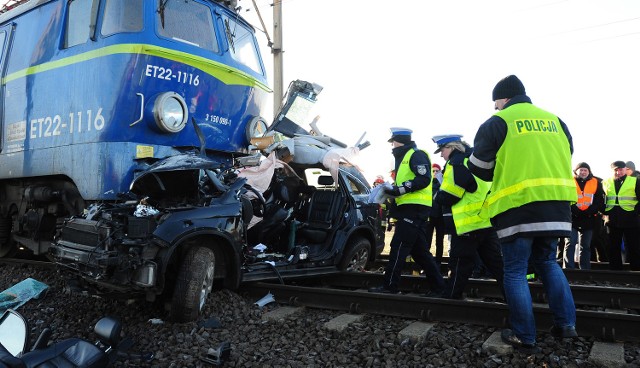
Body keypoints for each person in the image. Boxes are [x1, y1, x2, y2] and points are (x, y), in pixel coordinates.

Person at [468, 75, 577, 353]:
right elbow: (568, 153)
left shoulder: (498, 122)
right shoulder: (556, 120)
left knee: (515, 271)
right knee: (548, 262)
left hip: (518, 205)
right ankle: (566, 326)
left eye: (496, 104)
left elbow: (479, 167)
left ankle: (524, 336)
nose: (496, 109)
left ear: (504, 99)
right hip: (557, 206)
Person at [368, 127, 445, 296]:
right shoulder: (404, 158)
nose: (392, 146)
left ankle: (390, 286)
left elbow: (424, 179)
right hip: (410, 209)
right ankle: (440, 287)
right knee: (419, 252)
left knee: (399, 246)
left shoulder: (415, 155)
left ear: (399, 141)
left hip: (414, 209)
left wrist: (399, 190)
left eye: (393, 142)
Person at [432, 134, 505, 300]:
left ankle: (451, 297)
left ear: (451, 147)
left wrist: (437, 196)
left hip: (467, 223)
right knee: (497, 265)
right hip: (485, 221)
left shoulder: (456, 163)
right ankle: (515, 300)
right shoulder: (475, 160)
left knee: (459, 264)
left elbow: (450, 195)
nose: (441, 154)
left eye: (442, 150)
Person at [564, 162, 605, 269]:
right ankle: (568, 268)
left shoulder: (596, 182)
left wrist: (589, 212)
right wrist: (575, 210)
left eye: (585, 170)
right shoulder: (569, 181)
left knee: (585, 246)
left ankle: (585, 268)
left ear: (589, 171)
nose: (583, 172)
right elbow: (566, 197)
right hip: (573, 217)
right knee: (570, 243)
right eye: (580, 170)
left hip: (589, 218)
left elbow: (598, 200)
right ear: (576, 171)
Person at [602, 161, 640, 271]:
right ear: (612, 170)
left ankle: (636, 270)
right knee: (613, 246)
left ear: (625, 169)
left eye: (621, 169)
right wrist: (604, 211)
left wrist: (635, 212)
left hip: (630, 219)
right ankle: (615, 270)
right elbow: (602, 199)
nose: (618, 172)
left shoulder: (635, 181)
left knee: (633, 246)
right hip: (612, 219)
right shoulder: (605, 182)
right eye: (616, 170)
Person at [426, 163, 445, 266]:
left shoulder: (444, 184)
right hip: (430, 216)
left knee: (439, 241)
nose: (435, 173)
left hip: (441, 216)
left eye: (437, 171)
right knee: (427, 241)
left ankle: (438, 263)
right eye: (433, 171)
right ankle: (427, 263)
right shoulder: (427, 184)